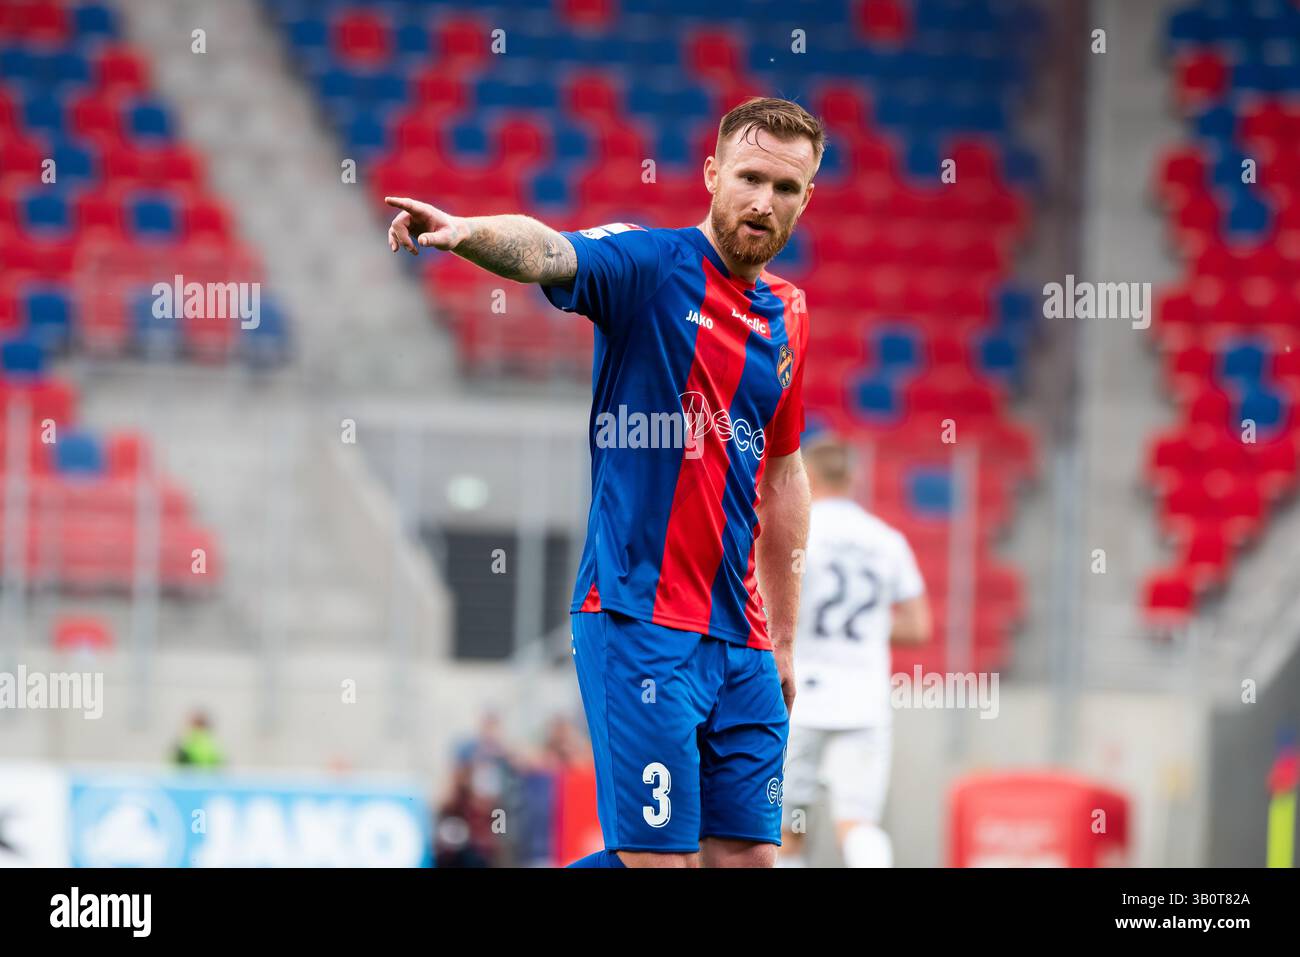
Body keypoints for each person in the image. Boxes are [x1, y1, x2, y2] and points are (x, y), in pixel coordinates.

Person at [385, 97, 821, 869]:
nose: (764, 201)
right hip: (638, 619)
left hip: (743, 637)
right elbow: (551, 252)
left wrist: (783, 635)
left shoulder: (790, 312)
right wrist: (466, 234)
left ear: (806, 197)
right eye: (750, 177)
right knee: (664, 863)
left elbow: (784, 473)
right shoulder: (652, 267)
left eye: (786, 188)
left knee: (750, 861)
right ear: (713, 174)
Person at [778, 437, 932, 867]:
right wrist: (869, 627)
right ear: (853, 478)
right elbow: (919, 626)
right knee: (858, 824)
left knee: (788, 830)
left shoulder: (799, 533)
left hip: (799, 698)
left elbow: (768, 604)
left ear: (807, 476)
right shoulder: (887, 540)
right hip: (865, 700)